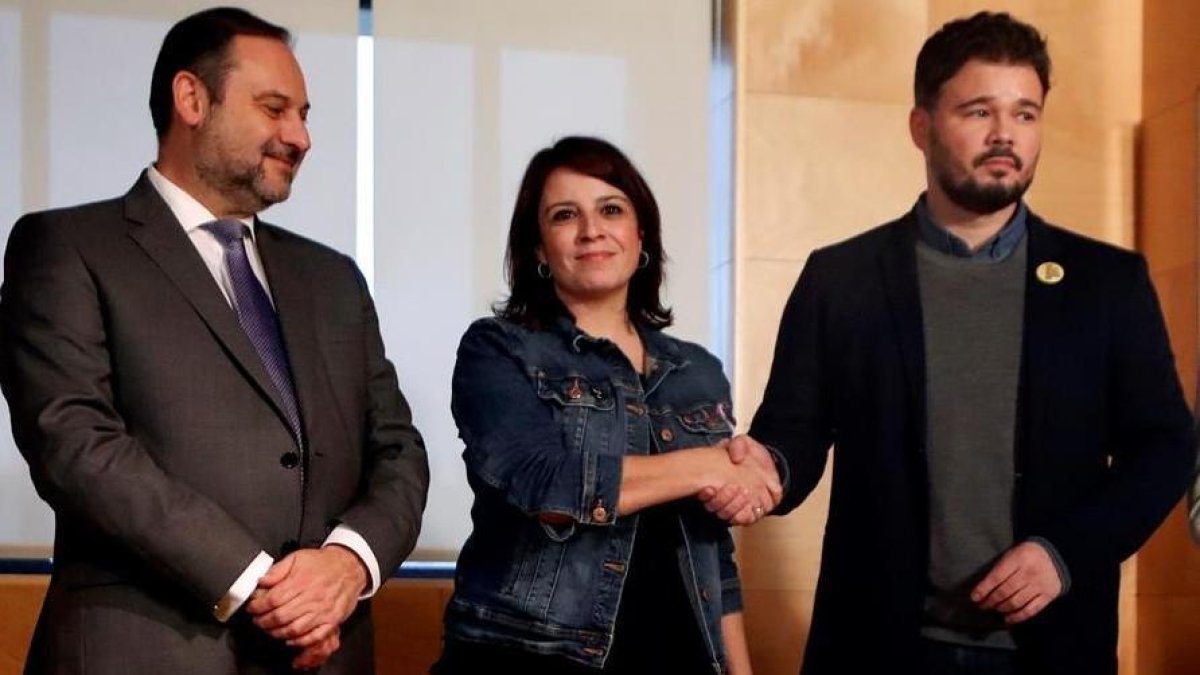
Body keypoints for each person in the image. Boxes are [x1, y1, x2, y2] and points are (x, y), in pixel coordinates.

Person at [735, 11, 1194, 675]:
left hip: (1052, 647)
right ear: (921, 126)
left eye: (1026, 114)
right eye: (979, 111)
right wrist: (764, 469)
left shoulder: (1109, 284)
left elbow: (1167, 445)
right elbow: (793, 434)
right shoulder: (841, 277)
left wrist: (1065, 552)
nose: (1006, 134)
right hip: (877, 647)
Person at [0, 7, 429, 674]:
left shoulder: (334, 277)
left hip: (327, 655)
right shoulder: (66, 247)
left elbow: (397, 448)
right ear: (192, 98)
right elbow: (75, 442)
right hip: (144, 650)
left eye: (305, 114)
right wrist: (265, 586)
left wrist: (348, 563)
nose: (301, 136)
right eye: (275, 108)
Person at [433, 136, 779, 675]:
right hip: (530, 658)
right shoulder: (497, 348)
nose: (592, 230)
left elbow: (715, 556)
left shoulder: (698, 370)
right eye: (565, 215)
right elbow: (545, 484)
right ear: (539, 250)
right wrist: (707, 465)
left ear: (641, 236)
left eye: (611, 210)